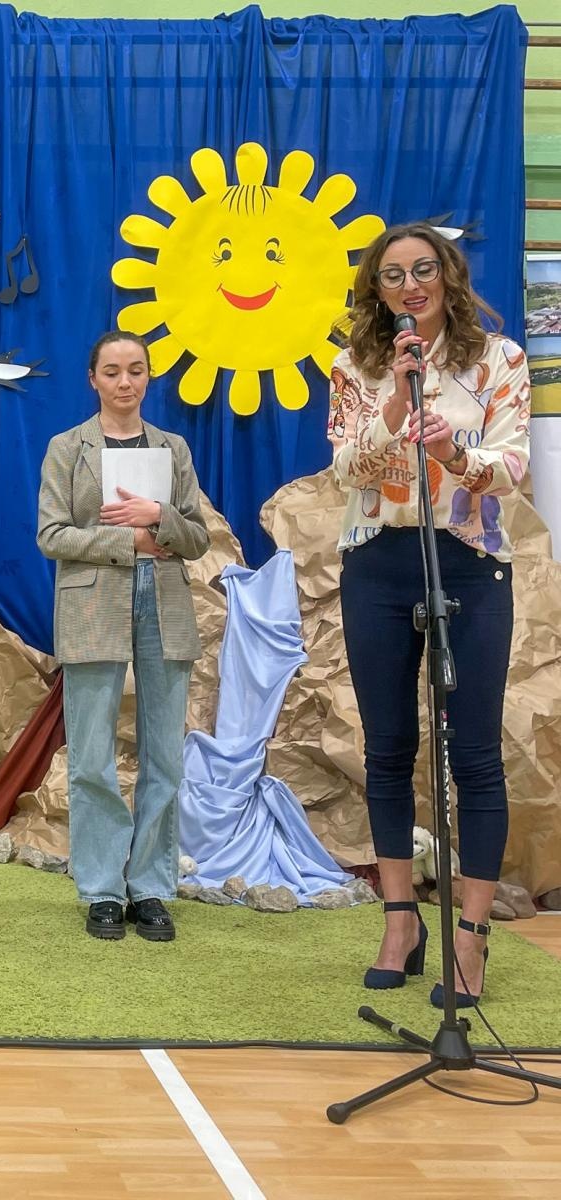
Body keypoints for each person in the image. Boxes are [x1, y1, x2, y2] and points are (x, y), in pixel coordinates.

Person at [329, 222, 530, 1007]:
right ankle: (400, 920)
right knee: (387, 749)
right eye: (391, 277)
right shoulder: (357, 366)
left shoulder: (499, 361)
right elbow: (345, 463)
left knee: (473, 753)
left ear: (446, 275)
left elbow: (511, 466)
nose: (410, 286)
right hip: (379, 560)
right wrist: (391, 410)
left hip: (470, 564)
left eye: (422, 270)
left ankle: (470, 940)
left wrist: (454, 453)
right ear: (376, 292)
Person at [37, 331, 210, 942]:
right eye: (112, 371)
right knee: (90, 755)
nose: (125, 381)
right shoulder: (67, 448)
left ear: (148, 376)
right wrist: (128, 541)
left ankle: (152, 887)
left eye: (135, 370)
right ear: (93, 378)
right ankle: (103, 889)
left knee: (164, 753)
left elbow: (197, 538)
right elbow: (52, 535)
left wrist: (159, 519)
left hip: (163, 603)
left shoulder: (173, 448)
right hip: (92, 606)